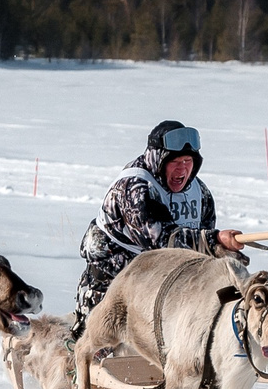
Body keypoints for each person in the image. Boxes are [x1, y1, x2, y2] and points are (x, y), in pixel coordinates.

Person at [74, 120, 246, 324]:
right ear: (159, 160)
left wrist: (219, 253)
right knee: (96, 347)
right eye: (175, 162)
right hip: (111, 288)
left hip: (162, 289)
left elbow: (201, 244)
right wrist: (214, 240)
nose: (182, 169)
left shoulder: (200, 193)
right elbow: (159, 240)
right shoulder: (134, 187)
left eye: (187, 161)